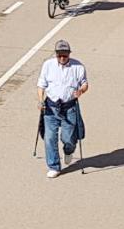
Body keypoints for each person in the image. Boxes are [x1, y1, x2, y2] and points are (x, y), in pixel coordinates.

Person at [38, 39, 88, 178]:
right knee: (49, 138)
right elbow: (41, 85)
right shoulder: (47, 65)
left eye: (65, 55)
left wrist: (81, 91)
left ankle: (69, 150)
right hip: (51, 107)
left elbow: (84, 84)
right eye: (59, 55)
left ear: (69, 54)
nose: (62, 58)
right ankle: (54, 166)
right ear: (55, 54)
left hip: (69, 107)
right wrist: (40, 100)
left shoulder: (78, 67)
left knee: (69, 139)